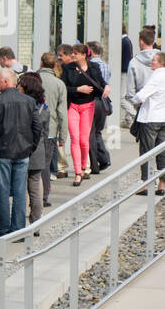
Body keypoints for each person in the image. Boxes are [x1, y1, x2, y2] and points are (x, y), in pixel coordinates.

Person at [0, 69, 43, 240]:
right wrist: (31, 146)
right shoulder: (29, 101)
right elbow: (37, 127)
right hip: (23, 152)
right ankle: (18, 231)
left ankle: (3, 231)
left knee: (2, 192)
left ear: (6, 82)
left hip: (2, 152)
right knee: (19, 192)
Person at [63, 42, 105, 186]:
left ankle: (83, 167)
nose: (72, 55)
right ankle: (77, 172)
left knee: (83, 140)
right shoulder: (67, 68)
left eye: (75, 53)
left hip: (88, 106)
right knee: (74, 139)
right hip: (72, 106)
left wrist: (107, 87)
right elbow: (64, 88)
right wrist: (78, 90)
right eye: (72, 52)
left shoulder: (94, 67)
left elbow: (101, 83)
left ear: (83, 55)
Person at [127, 49, 165, 195]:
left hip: (150, 118)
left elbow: (141, 96)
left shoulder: (157, 76)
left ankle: (146, 183)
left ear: (161, 63)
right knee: (162, 151)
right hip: (163, 118)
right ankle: (162, 184)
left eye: (154, 60)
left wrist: (135, 101)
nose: (152, 61)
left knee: (146, 151)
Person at [18, 72, 51, 230]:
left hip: (22, 148)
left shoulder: (22, 106)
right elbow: (46, 131)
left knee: (21, 186)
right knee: (36, 185)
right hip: (38, 149)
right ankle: (36, 223)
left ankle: (20, 222)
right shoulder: (44, 107)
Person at [37, 52, 67, 204]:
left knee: (32, 165)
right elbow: (62, 113)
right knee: (45, 165)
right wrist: (63, 136)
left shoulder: (32, 80)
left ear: (41, 63)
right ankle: (43, 196)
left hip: (32, 128)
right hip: (51, 129)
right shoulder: (59, 84)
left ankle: (33, 195)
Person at [86, 40, 112, 174]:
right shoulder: (106, 66)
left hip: (92, 102)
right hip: (103, 103)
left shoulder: (89, 66)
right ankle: (103, 159)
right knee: (97, 132)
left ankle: (97, 162)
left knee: (90, 132)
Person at [126, 27, 159, 113]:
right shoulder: (162, 59)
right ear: (153, 41)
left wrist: (136, 102)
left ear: (141, 42)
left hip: (143, 108)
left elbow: (130, 92)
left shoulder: (134, 62)